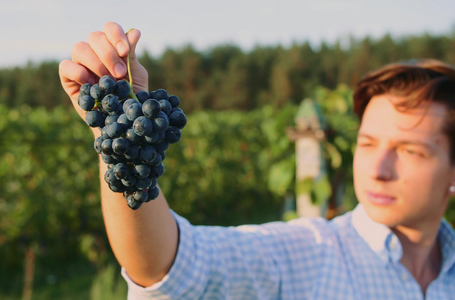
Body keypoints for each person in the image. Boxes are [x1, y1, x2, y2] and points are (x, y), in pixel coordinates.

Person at [59, 22, 455, 299]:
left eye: (409, 151)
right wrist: (120, 137)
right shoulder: (307, 253)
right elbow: (167, 269)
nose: (378, 170)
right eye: (368, 144)